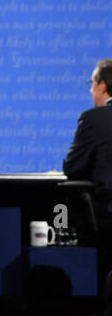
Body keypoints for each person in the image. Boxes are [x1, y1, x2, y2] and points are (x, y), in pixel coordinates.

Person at [62, 59, 112, 270]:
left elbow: (71, 167)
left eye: (91, 84)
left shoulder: (93, 119)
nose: (91, 90)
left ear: (102, 86)